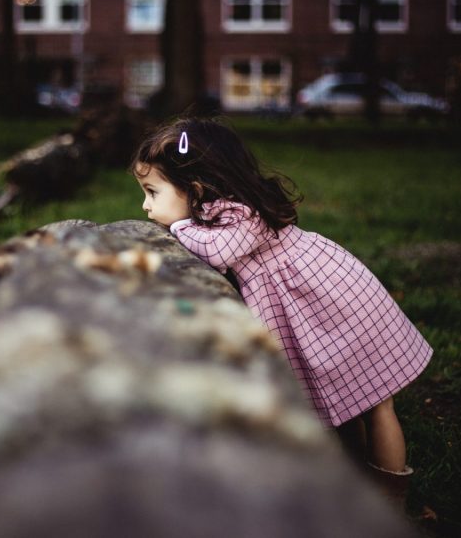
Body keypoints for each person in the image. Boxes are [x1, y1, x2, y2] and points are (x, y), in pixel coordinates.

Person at [131, 117, 432, 506]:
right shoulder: (223, 211)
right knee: (355, 401)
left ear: (196, 188)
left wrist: (180, 226)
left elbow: (217, 252)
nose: (145, 204)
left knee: (377, 404)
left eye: (152, 192)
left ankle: (392, 496)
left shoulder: (242, 213)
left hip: (333, 304)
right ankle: (357, 473)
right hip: (311, 303)